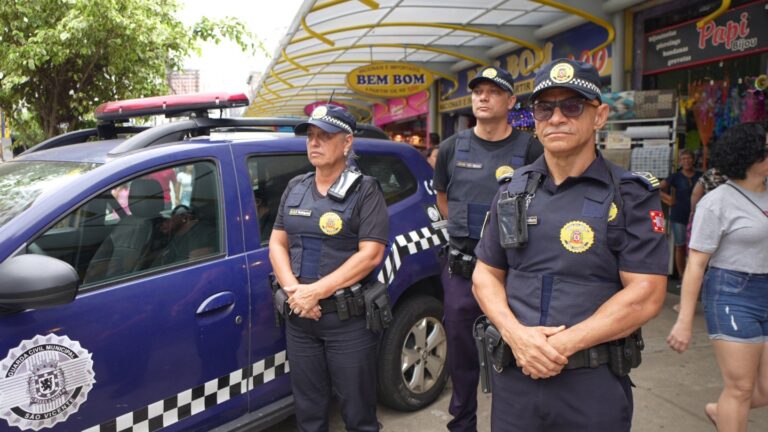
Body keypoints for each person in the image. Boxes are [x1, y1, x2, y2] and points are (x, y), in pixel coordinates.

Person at [472, 58, 669, 431]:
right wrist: (517, 337)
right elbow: (485, 274)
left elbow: (646, 293)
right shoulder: (513, 189)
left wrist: (558, 347)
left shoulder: (629, 195)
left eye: (572, 105)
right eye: (545, 107)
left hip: (591, 384)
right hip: (516, 378)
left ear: (600, 116)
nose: (557, 117)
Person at [432, 65, 543, 432]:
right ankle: (462, 425)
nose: (482, 96)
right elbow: (444, 199)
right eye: (478, 91)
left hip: (516, 275)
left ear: (511, 101)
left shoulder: (530, 148)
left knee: (518, 352)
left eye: (493, 92)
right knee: (462, 358)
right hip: (463, 272)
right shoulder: (451, 148)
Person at [269, 104, 389, 432]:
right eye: (311, 136)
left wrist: (316, 292)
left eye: (325, 136)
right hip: (300, 319)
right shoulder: (296, 186)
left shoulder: (366, 190)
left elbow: (371, 255)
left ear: (347, 142)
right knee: (308, 411)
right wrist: (295, 291)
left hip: (347, 322)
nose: (314, 143)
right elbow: (277, 243)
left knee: (358, 413)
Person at [667, 122, 768, 431]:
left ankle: (720, 410)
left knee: (763, 390)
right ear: (751, 155)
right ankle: (729, 412)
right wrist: (685, 320)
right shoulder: (718, 201)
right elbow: (697, 264)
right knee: (739, 388)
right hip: (732, 294)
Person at [660, 149, 702, 281]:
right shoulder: (676, 176)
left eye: (689, 158)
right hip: (679, 216)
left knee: (697, 247)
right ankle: (682, 276)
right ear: (680, 161)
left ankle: (695, 276)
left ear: (693, 160)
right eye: (683, 159)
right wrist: (667, 199)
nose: (687, 161)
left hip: (697, 216)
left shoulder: (700, 176)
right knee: (680, 245)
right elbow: (656, 188)